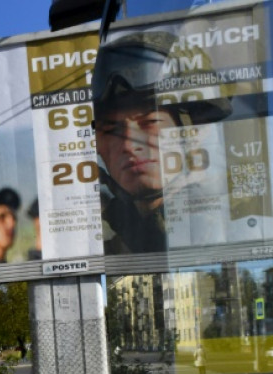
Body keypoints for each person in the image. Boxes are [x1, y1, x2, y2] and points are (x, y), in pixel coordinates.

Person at [91, 31, 231, 254]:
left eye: (151, 122)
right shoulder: (114, 243)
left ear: (195, 131)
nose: (128, 145)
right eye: (109, 130)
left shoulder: (231, 227)